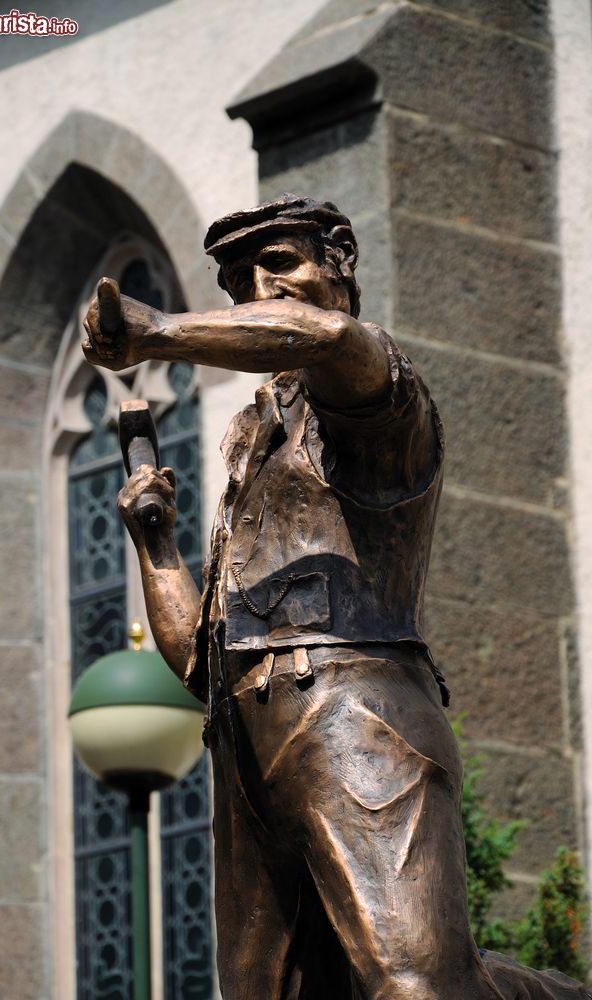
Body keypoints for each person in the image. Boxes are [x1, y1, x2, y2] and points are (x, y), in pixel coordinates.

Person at [83, 195, 590, 1000]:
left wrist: (159, 334)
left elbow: (326, 338)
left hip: (355, 715)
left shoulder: (374, 387)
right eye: (238, 279)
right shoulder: (255, 459)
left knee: (416, 988)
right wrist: (156, 543)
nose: (258, 287)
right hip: (243, 748)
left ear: (340, 260)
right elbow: (196, 661)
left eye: (279, 263)